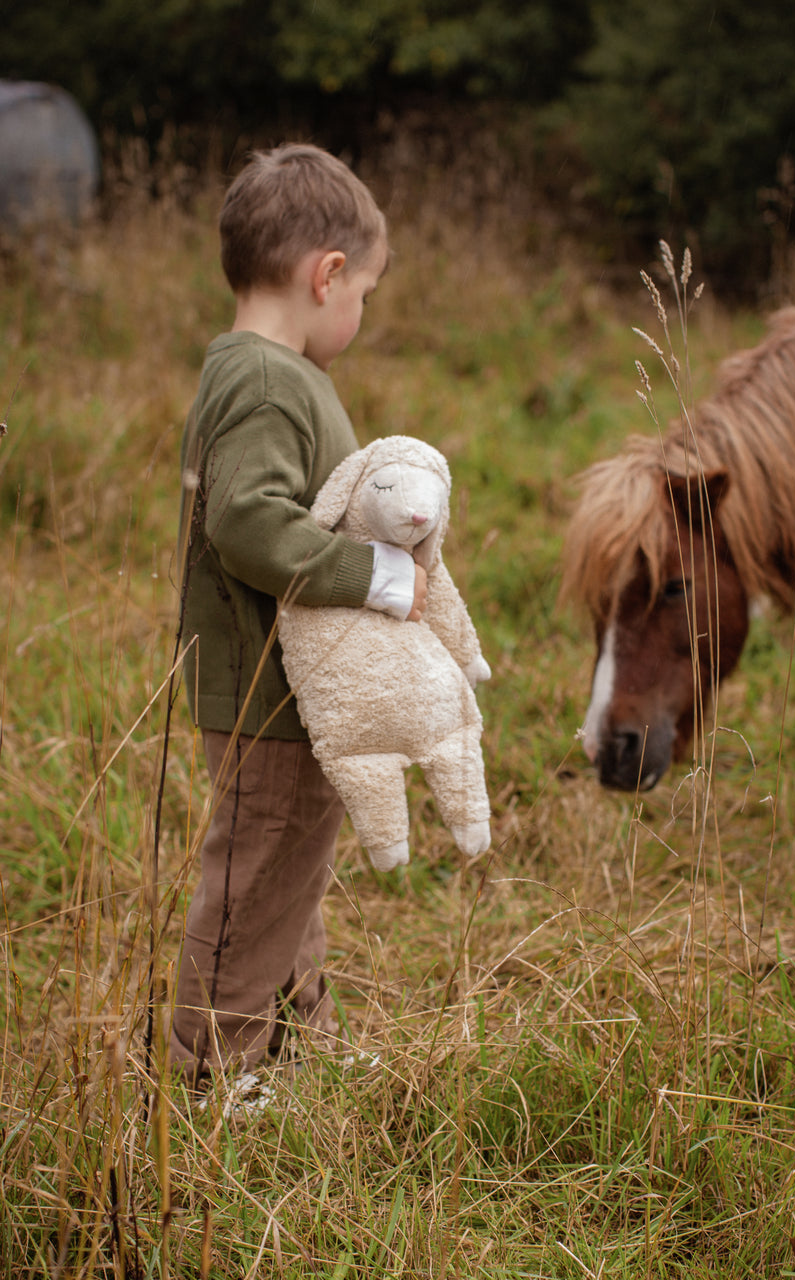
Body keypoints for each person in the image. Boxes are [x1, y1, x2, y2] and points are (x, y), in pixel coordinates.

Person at [169, 142, 426, 1089]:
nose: (361, 312)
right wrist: (376, 573)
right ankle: (208, 1079)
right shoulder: (271, 382)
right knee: (257, 881)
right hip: (267, 691)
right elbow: (247, 524)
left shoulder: (257, 373)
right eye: (365, 292)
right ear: (327, 276)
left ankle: (296, 1038)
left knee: (290, 876)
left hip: (288, 690)